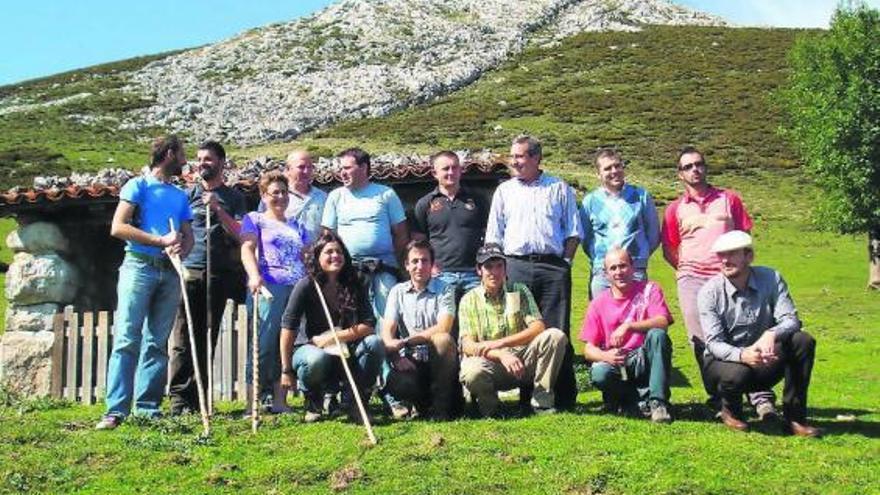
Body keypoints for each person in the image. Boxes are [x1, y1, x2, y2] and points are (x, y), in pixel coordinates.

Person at [661, 146, 776, 418]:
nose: (694, 170)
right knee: (700, 340)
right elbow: (669, 248)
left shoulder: (729, 199)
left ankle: (760, 396)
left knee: (747, 330)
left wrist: (736, 270)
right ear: (680, 174)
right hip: (691, 279)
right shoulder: (675, 209)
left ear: (705, 167)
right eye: (687, 166)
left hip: (729, 276)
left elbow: (743, 238)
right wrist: (688, 269)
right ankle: (720, 397)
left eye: (698, 164)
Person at [96, 135, 194, 430]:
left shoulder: (180, 196)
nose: (185, 160)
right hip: (139, 266)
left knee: (157, 341)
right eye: (182, 154)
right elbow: (118, 226)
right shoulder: (137, 185)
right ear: (168, 154)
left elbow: (188, 237)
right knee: (127, 337)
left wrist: (181, 247)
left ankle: (147, 408)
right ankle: (115, 410)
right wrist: (159, 240)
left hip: (169, 270)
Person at [485, 135, 582, 409]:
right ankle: (527, 396)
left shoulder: (559, 188)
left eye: (520, 156)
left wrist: (565, 264)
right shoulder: (504, 191)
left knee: (556, 330)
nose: (514, 161)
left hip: (552, 268)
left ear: (537, 158)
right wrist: (501, 269)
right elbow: (494, 235)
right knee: (521, 329)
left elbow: (573, 232)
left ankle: (562, 396)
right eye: (512, 156)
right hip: (515, 267)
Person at [698, 231, 820, 437]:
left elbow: (791, 319)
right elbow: (713, 343)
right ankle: (730, 410)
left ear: (749, 256)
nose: (725, 260)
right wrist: (742, 355)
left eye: (732, 254)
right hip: (724, 363)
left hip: (764, 358)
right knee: (737, 373)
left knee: (803, 340)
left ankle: (795, 418)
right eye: (721, 255)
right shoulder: (709, 292)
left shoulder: (771, 278)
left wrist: (772, 333)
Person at [168, 140, 246, 416]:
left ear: (222, 163)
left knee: (206, 336)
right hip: (189, 270)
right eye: (199, 159)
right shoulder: (186, 196)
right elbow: (174, 230)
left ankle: (200, 396)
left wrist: (219, 210)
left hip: (218, 273)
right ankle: (178, 400)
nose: (202, 163)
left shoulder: (234, 198)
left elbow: (241, 234)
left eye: (209, 159)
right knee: (182, 336)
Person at [279, 231, 384, 423]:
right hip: (312, 349)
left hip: (346, 350)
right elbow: (288, 326)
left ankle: (355, 402)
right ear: (317, 257)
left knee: (375, 343)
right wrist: (286, 370)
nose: (335, 256)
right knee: (315, 359)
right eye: (329, 252)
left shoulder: (355, 281)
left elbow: (369, 325)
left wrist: (332, 338)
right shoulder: (306, 286)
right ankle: (314, 401)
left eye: (339, 252)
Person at [458, 243, 567, 417]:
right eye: (488, 267)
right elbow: (468, 345)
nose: (494, 272)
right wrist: (501, 354)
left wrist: (502, 343)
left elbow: (538, 327)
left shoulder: (519, 291)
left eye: (499, 266)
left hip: (522, 361)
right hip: (490, 364)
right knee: (471, 371)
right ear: (479, 270)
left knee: (555, 336)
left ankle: (542, 403)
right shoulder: (468, 300)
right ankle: (492, 409)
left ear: (505, 268)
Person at [240, 172, 310, 414]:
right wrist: (253, 275)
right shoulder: (255, 219)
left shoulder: (298, 225)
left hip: (296, 289)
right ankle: (252, 404)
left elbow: (306, 256)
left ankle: (280, 401)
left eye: (284, 192)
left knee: (286, 345)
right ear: (264, 196)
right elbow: (247, 249)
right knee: (263, 344)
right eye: (275, 193)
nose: (280, 197)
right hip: (269, 287)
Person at [579, 248, 673, 423]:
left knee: (658, 335)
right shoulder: (598, 303)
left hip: (643, 356)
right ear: (606, 274)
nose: (618, 272)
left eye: (623, 266)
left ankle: (658, 403)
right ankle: (632, 400)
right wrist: (605, 356)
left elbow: (663, 321)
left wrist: (629, 326)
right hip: (617, 361)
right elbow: (588, 349)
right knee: (600, 372)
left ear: (632, 268)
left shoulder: (650, 290)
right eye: (613, 268)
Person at [321, 147, 409, 320]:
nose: (342, 173)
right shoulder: (335, 196)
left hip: (384, 266)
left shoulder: (386, 194)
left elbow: (400, 233)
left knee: (388, 313)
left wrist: (401, 264)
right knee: (350, 313)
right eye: (340, 169)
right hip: (348, 267)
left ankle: (387, 346)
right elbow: (327, 235)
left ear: (363, 167)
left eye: (347, 168)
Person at [381, 239, 458, 420]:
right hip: (411, 361)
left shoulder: (445, 289)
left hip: (439, 361)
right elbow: (387, 330)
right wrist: (395, 355)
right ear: (406, 265)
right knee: (396, 382)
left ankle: (441, 407)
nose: (420, 266)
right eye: (415, 261)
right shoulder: (397, 292)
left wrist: (407, 341)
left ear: (432, 264)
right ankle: (420, 404)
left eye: (425, 261)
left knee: (443, 340)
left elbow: (443, 327)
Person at [580, 148, 660, 298]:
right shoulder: (590, 202)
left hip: (635, 271)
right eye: (608, 168)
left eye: (617, 166)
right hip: (603, 274)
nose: (614, 171)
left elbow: (653, 235)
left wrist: (638, 257)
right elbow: (585, 238)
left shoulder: (641, 196)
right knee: (603, 320)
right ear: (598, 174)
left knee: (636, 319)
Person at [413, 150, 487, 299]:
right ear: (434, 173)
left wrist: (484, 267)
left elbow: (489, 235)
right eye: (445, 168)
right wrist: (431, 267)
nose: (451, 172)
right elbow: (419, 242)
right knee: (445, 321)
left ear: (461, 170)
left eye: (455, 167)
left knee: (475, 321)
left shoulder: (478, 200)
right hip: (441, 275)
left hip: (474, 274)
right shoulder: (424, 204)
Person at [258, 149, 326, 242]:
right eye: (301, 167)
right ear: (288, 170)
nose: (306, 171)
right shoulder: (275, 197)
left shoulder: (322, 197)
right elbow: (261, 226)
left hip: (314, 254)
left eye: (310, 167)